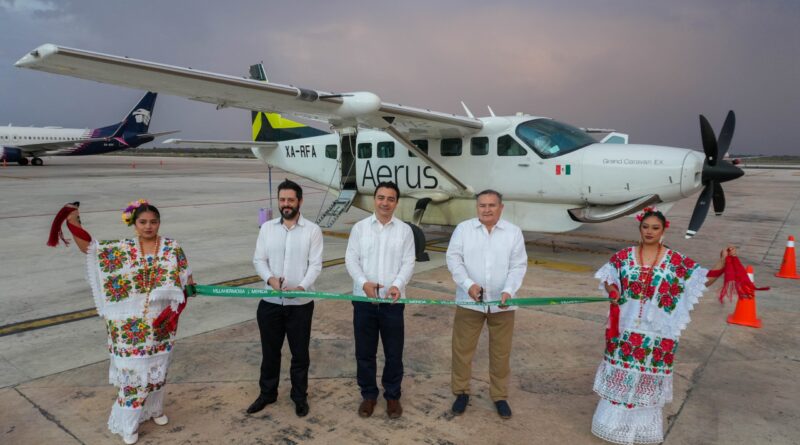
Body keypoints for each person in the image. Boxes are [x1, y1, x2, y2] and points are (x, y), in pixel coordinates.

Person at [591, 207, 731, 445]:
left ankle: (638, 430)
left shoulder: (675, 261)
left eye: (655, 228)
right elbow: (609, 278)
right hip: (625, 330)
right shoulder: (623, 257)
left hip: (657, 334)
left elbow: (702, 280)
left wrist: (723, 260)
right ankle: (612, 427)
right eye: (645, 227)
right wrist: (612, 290)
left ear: (664, 230)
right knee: (623, 377)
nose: (649, 232)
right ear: (639, 228)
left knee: (645, 379)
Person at [62, 200, 192, 445]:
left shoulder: (172, 247)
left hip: (161, 324)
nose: (148, 226)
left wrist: (189, 288)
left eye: (153, 222)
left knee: (157, 371)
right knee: (133, 375)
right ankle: (128, 424)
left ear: (159, 223)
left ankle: (154, 409)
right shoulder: (122, 249)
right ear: (134, 224)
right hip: (128, 328)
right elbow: (90, 249)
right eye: (143, 222)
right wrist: (73, 222)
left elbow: (186, 275)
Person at [445, 189, 527, 419]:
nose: (487, 209)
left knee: (501, 354)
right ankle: (461, 392)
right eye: (482, 205)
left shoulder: (513, 232)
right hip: (469, 302)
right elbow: (453, 259)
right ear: (477, 207)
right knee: (462, 351)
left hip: (503, 305)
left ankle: (499, 396)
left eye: (492, 205)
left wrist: (509, 290)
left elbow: (518, 265)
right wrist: (468, 284)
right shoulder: (464, 229)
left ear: (501, 207)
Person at [248, 179, 323, 418]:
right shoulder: (268, 228)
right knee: (270, 352)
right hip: (270, 304)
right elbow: (259, 260)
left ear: (300, 201)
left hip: (300, 305)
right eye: (282, 200)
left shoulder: (312, 230)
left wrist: (302, 287)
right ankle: (267, 393)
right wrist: (270, 279)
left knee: (300, 354)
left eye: (291, 200)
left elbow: (316, 265)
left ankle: (299, 397)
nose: (286, 204)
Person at [345, 181, 415, 419]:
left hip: (393, 303)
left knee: (394, 352)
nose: (385, 202)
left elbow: (408, 262)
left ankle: (393, 396)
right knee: (365, 352)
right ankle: (368, 395)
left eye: (390, 198)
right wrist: (363, 283)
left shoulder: (404, 230)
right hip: (363, 302)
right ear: (374, 200)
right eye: (381, 197)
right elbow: (351, 259)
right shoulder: (360, 228)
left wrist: (397, 285)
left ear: (396, 202)